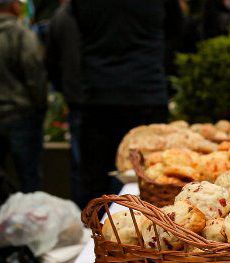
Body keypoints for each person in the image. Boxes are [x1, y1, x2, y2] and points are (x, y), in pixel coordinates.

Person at [72, 0, 182, 204]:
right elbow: (176, 30)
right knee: (152, 178)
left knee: (94, 183)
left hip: (99, 92)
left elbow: (78, 26)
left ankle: (94, 231)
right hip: (145, 91)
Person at [0, 0, 47, 193]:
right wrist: (40, 107)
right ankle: (30, 220)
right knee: (29, 178)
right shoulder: (22, 35)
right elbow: (35, 77)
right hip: (20, 116)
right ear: (15, 6)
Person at [46, 0, 85, 207]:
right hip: (89, 96)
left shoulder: (61, 16)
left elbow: (50, 62)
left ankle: (88, 220)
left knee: (81, 165)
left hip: (78, 98)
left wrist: (65, 89)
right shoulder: (64, 16)